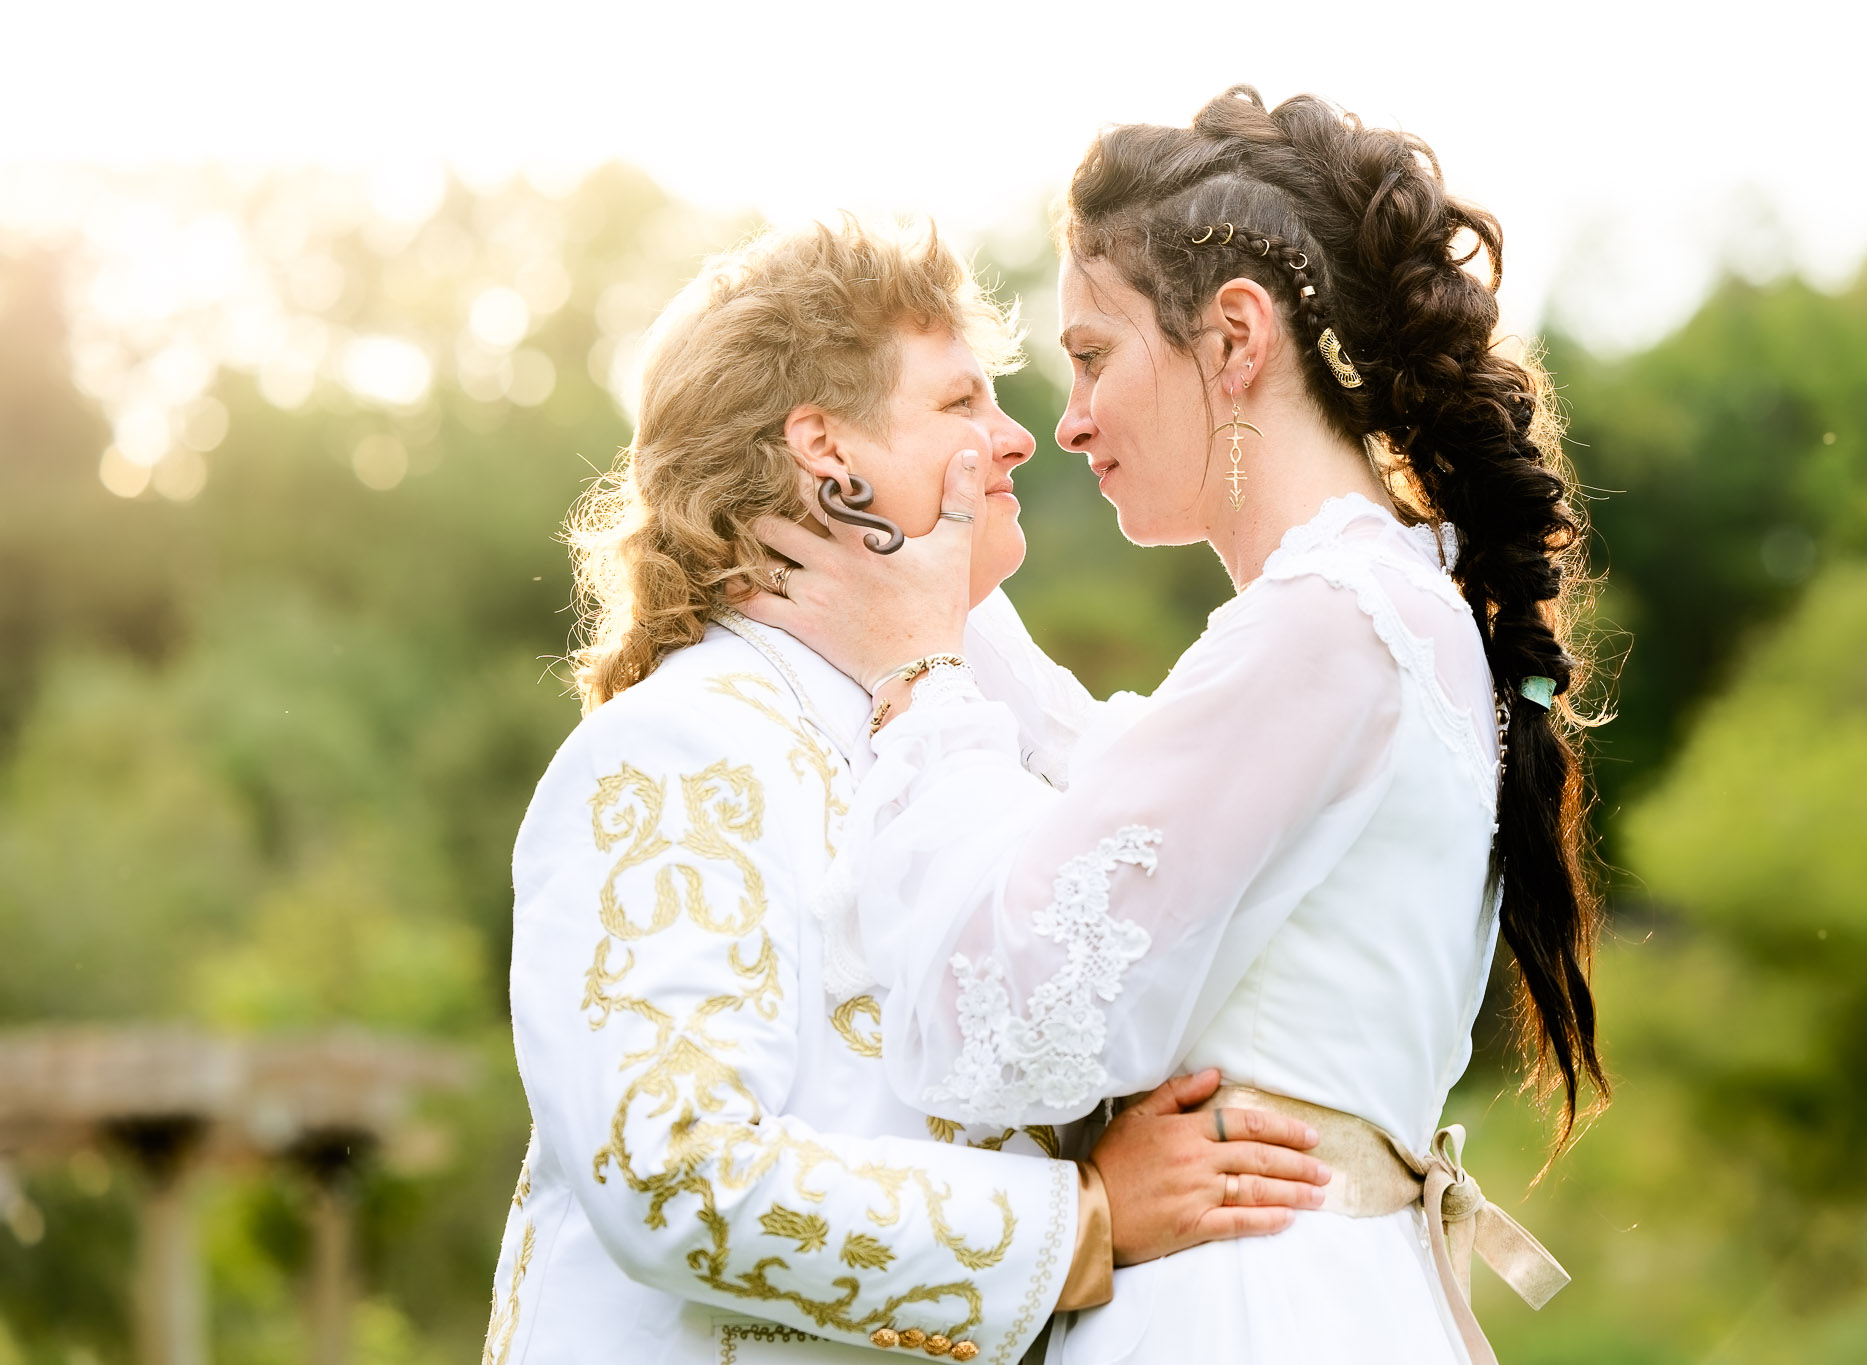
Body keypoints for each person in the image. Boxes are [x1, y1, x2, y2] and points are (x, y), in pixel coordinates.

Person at [741, 88, 1605, 1365]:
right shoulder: (1372, 611)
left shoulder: (1329, 623)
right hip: (1314, 1287)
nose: (1068, 416)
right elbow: (1108, 782)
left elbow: (999, 1027)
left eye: (1091, 355)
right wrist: (917, 574)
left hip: (1250, 1309)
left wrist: (922, 686)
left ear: (1234, 339)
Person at [480, 218, 1328, 1365]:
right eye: (960, 404)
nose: (1017, 438)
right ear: (826, 453)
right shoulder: (675, 751)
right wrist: (1080, 1219)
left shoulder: (975, 741)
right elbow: (671, 1169)